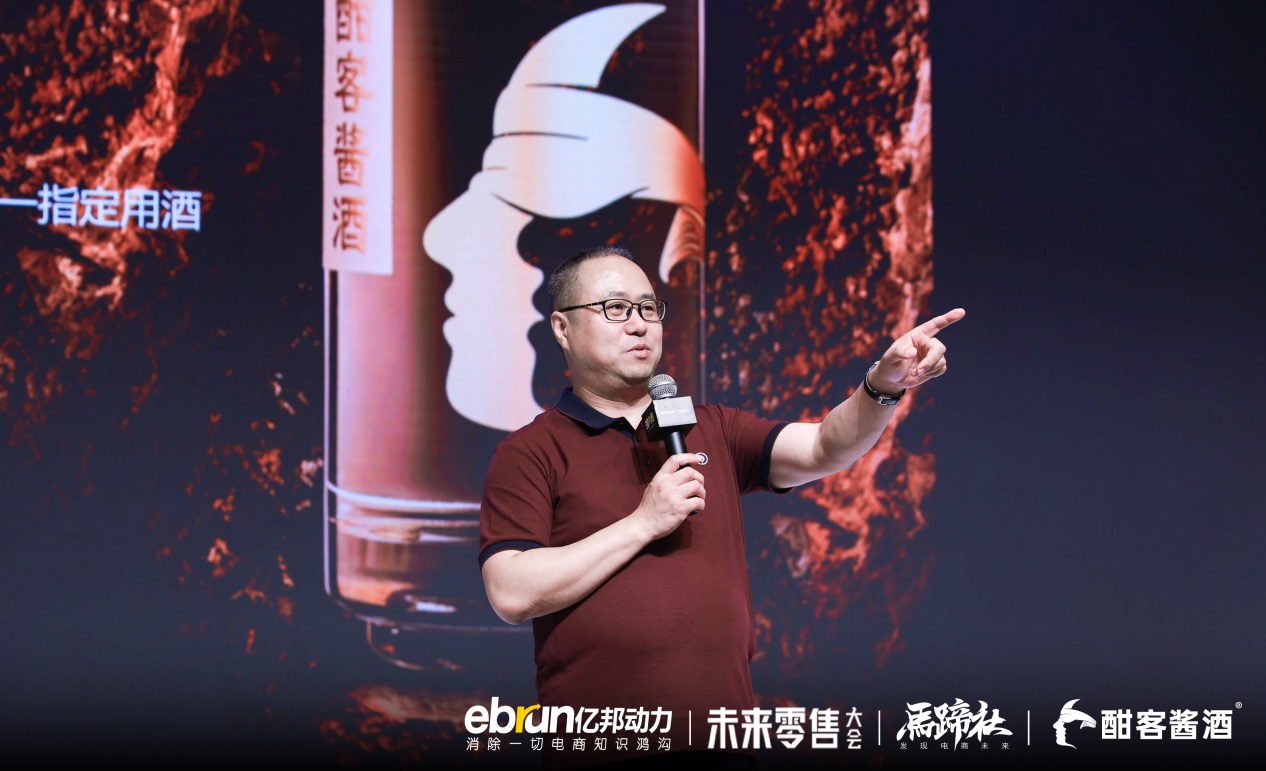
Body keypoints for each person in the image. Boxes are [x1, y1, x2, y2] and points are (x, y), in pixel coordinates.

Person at [478, 245, 963, 768]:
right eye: (615, 308)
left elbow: (826, 447)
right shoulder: (533, 450)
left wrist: (882, 386)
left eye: (648, 308)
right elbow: (510, 590)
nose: (639, 325)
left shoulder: (713, 428)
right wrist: (643, 523)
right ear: (562, 328)